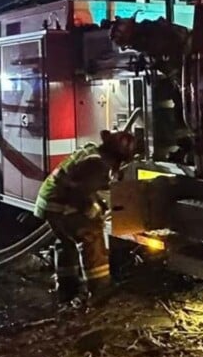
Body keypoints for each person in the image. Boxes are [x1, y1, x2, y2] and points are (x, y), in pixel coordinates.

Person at [33, 130, 137, 305]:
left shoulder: (91, 151)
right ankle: (100, 291)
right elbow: (79, 193)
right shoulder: (98, 164)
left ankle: (67, 288)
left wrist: (98, 203)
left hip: (50, 204)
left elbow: (82, 186)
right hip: (61, 205)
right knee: (92, 236)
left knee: (66, 242)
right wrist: (92, 209)